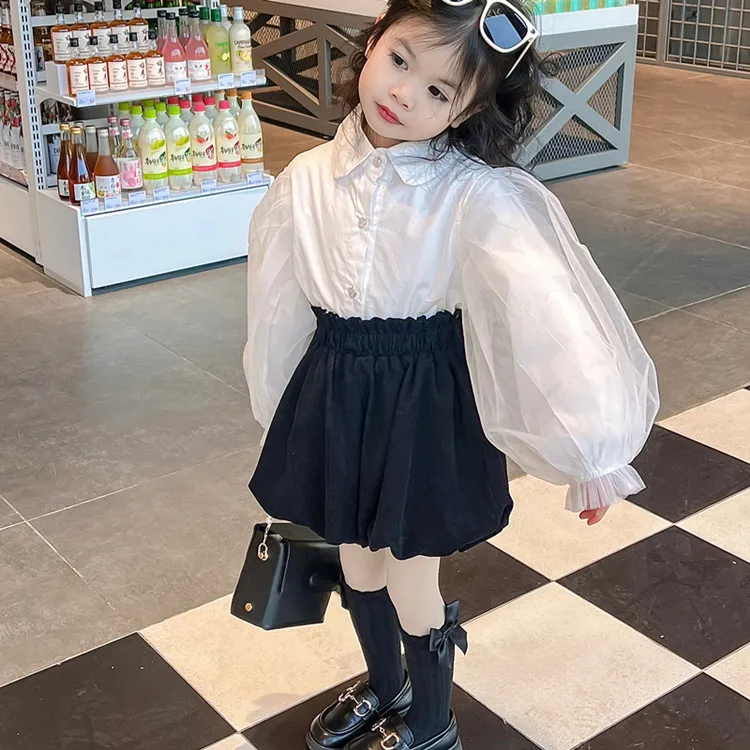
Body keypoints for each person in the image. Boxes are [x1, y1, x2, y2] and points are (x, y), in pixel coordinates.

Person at [242, 1, 659, 748]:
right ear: (373, 41)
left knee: (411, 576)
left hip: (425, 406)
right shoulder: (304, 180)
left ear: (466, 111)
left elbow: (547, 313)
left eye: (439, 90)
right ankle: (386, 684)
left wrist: (591, 451)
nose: (404, 93)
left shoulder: (474, 195)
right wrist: (282, 409)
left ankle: (432, 722)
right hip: (338, 391)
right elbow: (278, 305)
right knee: (357, 560)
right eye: (400, 60)